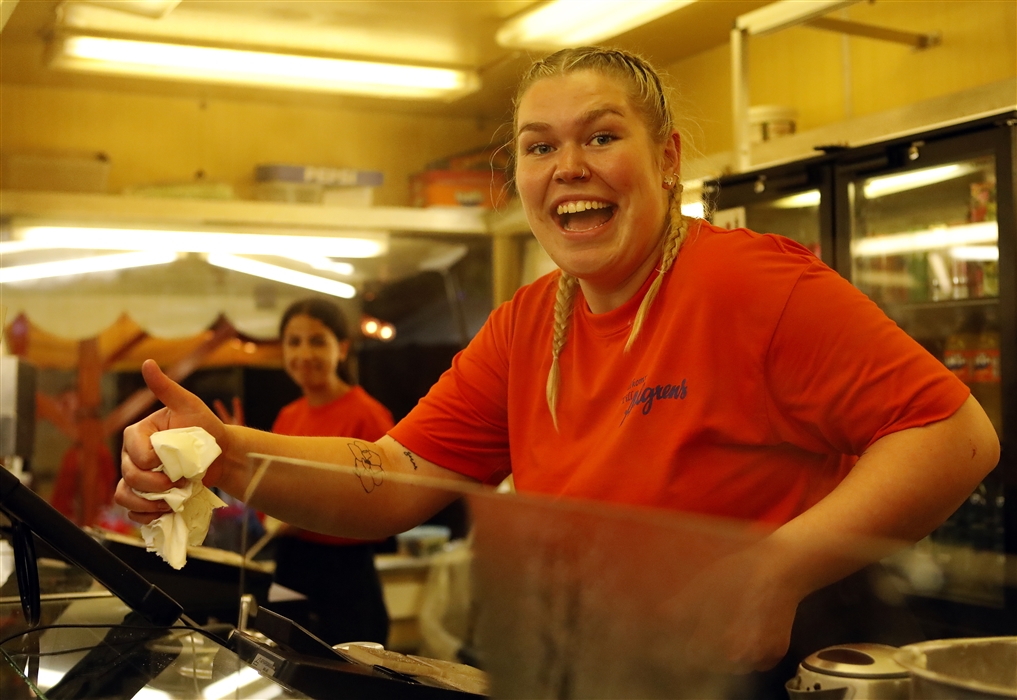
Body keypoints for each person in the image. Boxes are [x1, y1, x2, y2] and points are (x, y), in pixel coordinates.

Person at [117, 47, 999, 695]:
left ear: (667, 159)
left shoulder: (752, 283)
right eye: (539, 147)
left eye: (601, 136)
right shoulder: (527, 324)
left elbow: (954, 435)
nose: (567, 166)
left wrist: (774, 571)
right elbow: (391, 475)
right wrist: (222, 453)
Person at [214, 297, 394, 646]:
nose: (304, 354)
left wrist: (314, 510)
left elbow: (386, 508)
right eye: (293, 342)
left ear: (341, 349)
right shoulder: (288, 417)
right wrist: (241, 456)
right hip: (292, 564)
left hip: (346, 571)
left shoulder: (368, 415)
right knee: (287, 664)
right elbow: (270, 499)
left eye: (317, 341)